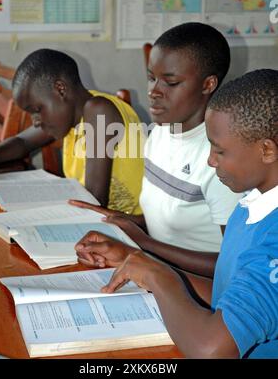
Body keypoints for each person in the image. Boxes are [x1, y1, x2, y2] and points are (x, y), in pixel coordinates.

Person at [75, 69, 278, 358]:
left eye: (220, 151)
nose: (210, 160)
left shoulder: (273, 239)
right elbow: (227, 294)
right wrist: (139, 263)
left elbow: (211, 350)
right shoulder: (253, 201)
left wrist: (158, 276)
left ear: (267, 150)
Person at [70, 23, 241, 277]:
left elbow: (236, 267)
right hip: (158, 270)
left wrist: (143, 247)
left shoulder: (223, 159)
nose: (154, 91)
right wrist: (118, 221)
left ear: (208, 84)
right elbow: (164, 226)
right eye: (151, 78)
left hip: (200, 290)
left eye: (171, 82)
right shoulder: (160, 132)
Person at [0, 49, 144, 214]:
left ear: (61, 89)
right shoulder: (68, 116)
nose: (35, 120)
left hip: (133, 230)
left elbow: (94, 202)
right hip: (98, 218)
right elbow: (23, 142)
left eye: (36, 110)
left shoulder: (99, 110)